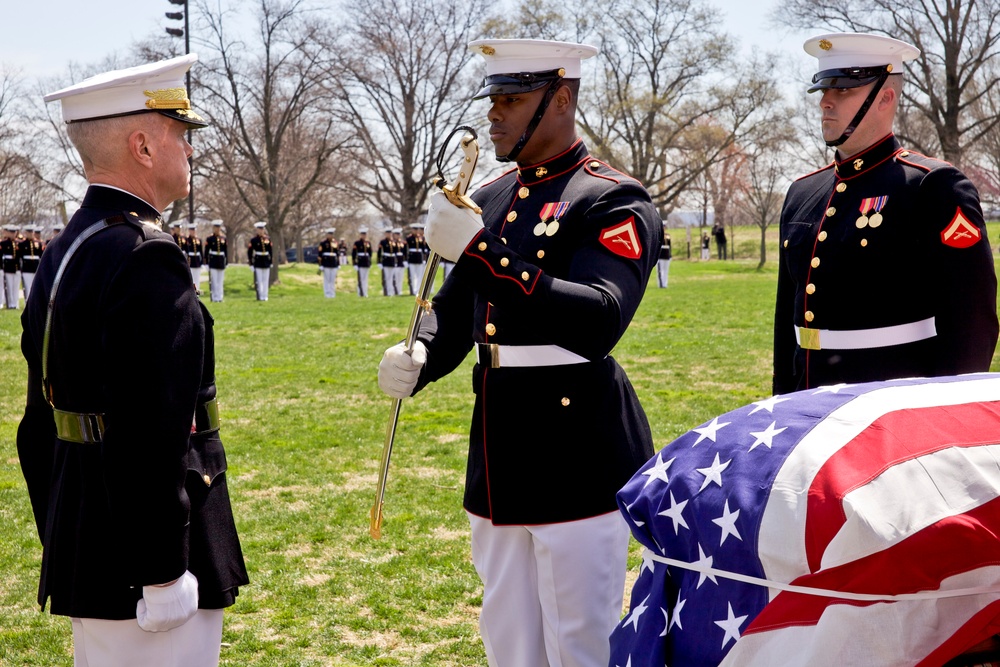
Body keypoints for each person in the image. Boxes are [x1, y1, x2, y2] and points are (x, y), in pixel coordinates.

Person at [377, 38, 661, 667]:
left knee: (578, 641)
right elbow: (453, 313)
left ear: (561, 99)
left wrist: (480, 251)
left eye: (512, 99)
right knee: (508, 637)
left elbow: (599, 318)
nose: (495, 114)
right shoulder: (496, 193)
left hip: (578, 448)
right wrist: (419, 353)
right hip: (500, 446)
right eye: (493, 100)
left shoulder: (611, 198)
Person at [18, 53, 248, 667]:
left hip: (90, 537)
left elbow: (37, 428)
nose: (191, 151)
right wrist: (162, 571)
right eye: (181, 134)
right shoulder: (145, 255)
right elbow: (151, 431)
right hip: (147, 563)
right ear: (143, 145)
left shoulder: (68, 248)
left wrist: (69, 529)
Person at [773, 32, 999, 395]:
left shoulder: (932, 187)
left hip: (892, 408)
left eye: (843, 89)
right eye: (823, 91)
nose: (825, 102)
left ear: (885, 97)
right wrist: (782, 404)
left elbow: (972, 325)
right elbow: (787, 325)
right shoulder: (803, 193)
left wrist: (940, 417)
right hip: (807, 403)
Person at [18, 224, 45, 301]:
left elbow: (41, 255)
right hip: (27, 267)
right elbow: (20, 256)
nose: (30, 234)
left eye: (31, 232)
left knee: (36, 286)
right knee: (28, 286)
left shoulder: (38, 243)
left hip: (35, 266)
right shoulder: (22, 244)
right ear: (26, 233)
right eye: (29, 232)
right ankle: (28, 301)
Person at [248, 221, 273, 301]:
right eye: (259, 229)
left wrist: (271, 261)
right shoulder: (254, 240)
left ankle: (265, 296)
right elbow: (250, 252)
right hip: (258, 260)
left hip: (266, 260)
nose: (261, 231)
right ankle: (261, 295)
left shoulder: (268, 239)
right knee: (259, 280)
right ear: (257, 230)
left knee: (266, 280)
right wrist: (251, 263)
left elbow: (270, 251)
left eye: (262, 229)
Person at [203, 220, 227, 303]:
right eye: (216, 227)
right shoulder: (210, 239)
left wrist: (226, 262)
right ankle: (214, 297)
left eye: (219, 227)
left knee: (220, 280)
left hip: (221, 260)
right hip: (213, 260)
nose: (217, 229)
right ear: (213, 228)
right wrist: (205, 262)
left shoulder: (223, 238)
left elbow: (226, 251)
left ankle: (220, 297)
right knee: (214, 281)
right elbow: (206, 251)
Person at [405, 222, 428, 295]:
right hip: (412, 259)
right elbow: (406, 250)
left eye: (417, 229)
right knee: (412, 275)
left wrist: (424, 259)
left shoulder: (421, 238)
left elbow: (423, 249)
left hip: (419, 258)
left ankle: (418, 290)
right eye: (414, 229)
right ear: (412, 230)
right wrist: (406, 260)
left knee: (419, 276)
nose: (416, 231)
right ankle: (413, 290)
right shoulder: (409, 238)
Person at [317, 227, 340, 298]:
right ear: (327, 235)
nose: (330, 235)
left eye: (332, 234)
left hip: (333, 263)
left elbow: (337, 254)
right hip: (326, 263)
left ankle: (332, 294)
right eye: (329, 234)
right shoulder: (323, 243)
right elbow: (320, 254)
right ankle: (327, 294)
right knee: (327, 280)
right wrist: (320, 265)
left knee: (332, 280)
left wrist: (338, 264)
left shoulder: (335, 243)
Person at [377, 227, 400, 296]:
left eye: (390, 233)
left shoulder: (393, 242)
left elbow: (396, 252)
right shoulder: (383, 242)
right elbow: (379, 252)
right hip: (386, 260)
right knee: (387, 278)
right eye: (387, 233)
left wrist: (396, 261)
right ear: (385, 234)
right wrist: (379, 262)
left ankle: (391, 291)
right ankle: (387, 292)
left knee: (391, 277)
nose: (389, 234)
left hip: (392, 260)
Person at [2, 223, 19, 309]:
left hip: (16, 267)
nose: (13, 234)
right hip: (8, 267)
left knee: (15, 287)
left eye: (14, 232)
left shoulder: (17, 243)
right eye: (11, 232)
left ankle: (15, 303)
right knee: (9, 286)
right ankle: (11, 303)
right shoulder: (4, 243)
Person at [184, 222, 204, 293]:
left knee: (197, 276)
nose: (193, 231)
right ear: (189, 231)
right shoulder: (186, 240)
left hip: (197, 260)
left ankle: (197, 290)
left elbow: (201, 251)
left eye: (194, 230)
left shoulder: (198, 240)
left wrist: (202, 261)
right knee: (191, 276)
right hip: (190, 260)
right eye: (192, 230)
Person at [352, 227, 372, 297]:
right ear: (360, 235)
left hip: (366, 261)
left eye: (365, 234)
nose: (364, 236)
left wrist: (370, 262)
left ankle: (365, 292)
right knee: (360, 278)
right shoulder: (357, 243)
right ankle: (360, 293)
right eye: (362, 234)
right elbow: (354, 254)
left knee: (365, 279)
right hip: (360, 261)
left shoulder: (368, 243)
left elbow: (370, 253)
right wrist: (354, 263)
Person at [391, 227, 406, 295]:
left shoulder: (402, 243)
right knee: (395, 278)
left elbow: (405, 252)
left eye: (399, 234)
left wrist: (405, 261)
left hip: (401, 263)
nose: (398, 236)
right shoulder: (392, 243)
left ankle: (399, 290)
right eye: (396, 234)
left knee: (400, 278)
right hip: (395, 262)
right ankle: (394, 291)